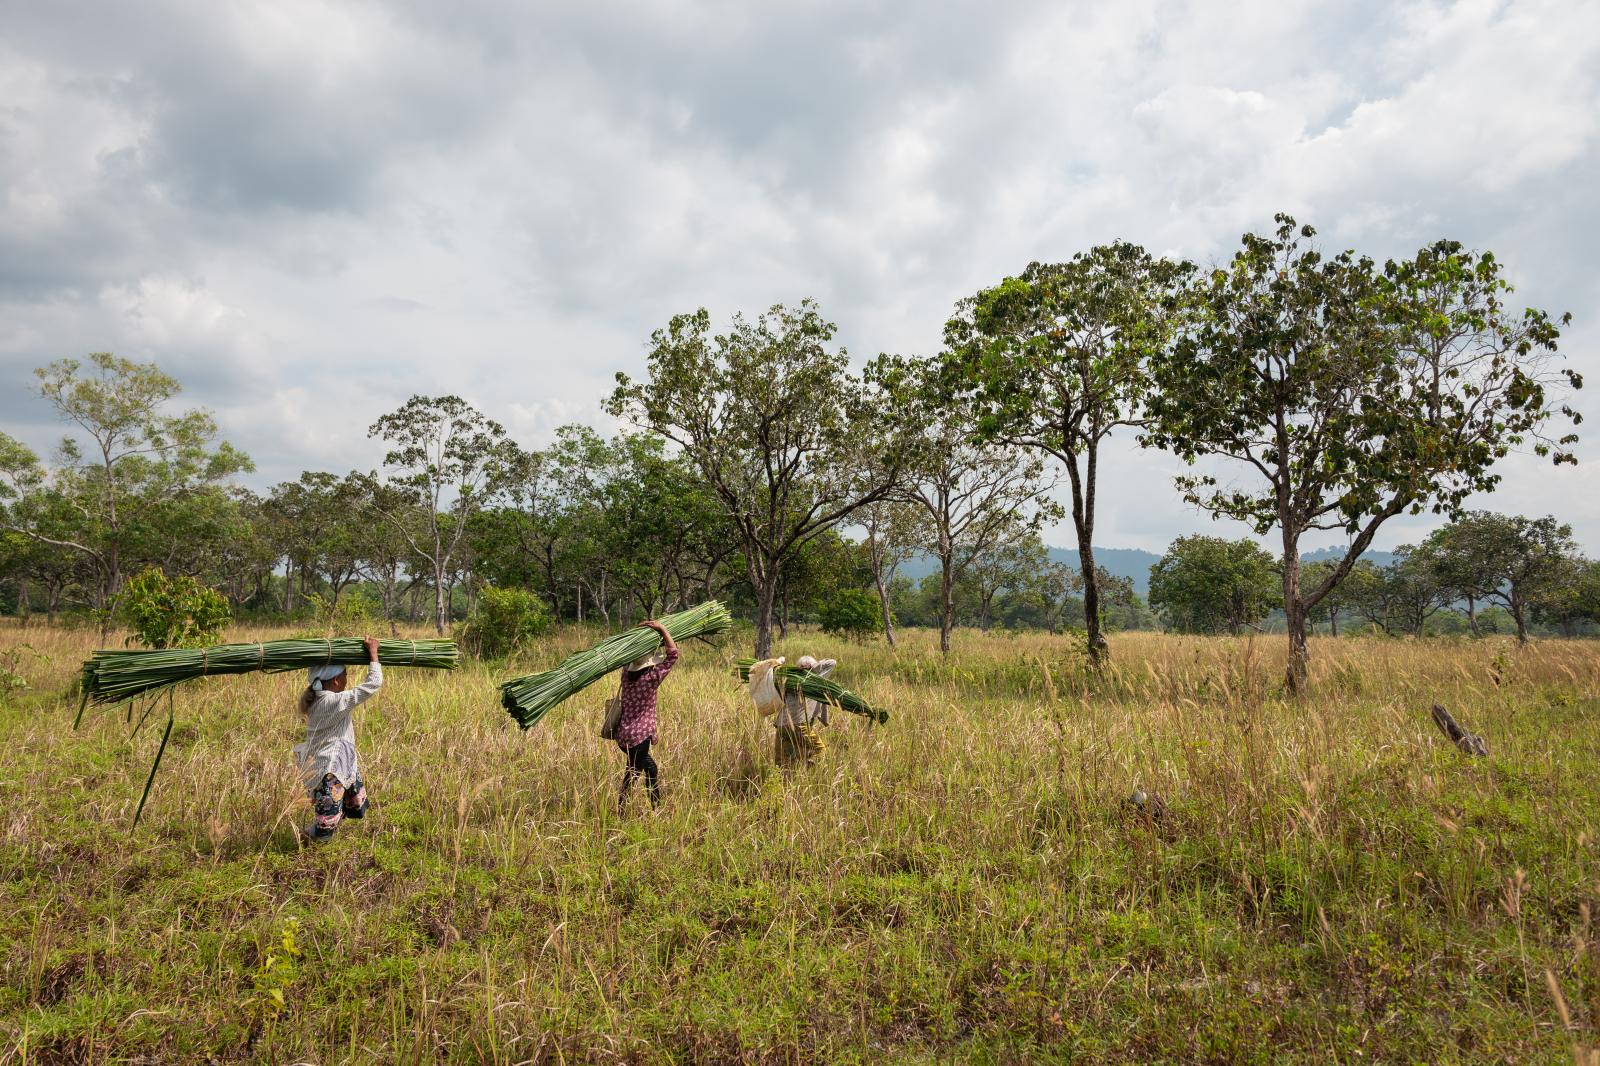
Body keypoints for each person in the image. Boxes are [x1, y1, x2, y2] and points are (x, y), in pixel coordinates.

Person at [295, 636, 383, 841]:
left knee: (340, 810)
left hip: (338, 765)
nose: (347, 678)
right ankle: (306, 843)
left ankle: (310, 838)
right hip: (331, 771)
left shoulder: (320, 699)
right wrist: (373, 653)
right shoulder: (334, 701)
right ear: (336, 680)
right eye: (345, 674)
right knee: (324, 826)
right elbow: (374, 683)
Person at [614, 619, 679, 810]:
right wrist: (662, 628)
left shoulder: (626, 675)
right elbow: (673, 655)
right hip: (639, 738)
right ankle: (632, 810)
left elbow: (628, 659)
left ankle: (648, 808)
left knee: (646, 769)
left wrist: (638, 634)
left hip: (624, 735)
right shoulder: (651, 678)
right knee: (635, 773)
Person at [772, 653, 836, 769]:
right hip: (798, 725)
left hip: (781, 726)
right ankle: (809, 768)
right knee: (820, 751)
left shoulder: (789, 681)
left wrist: (792, 666)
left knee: (782, 761)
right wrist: (813, 668)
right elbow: (832, 662)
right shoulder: (814, 680)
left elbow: (774, 675)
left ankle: (788, 778)